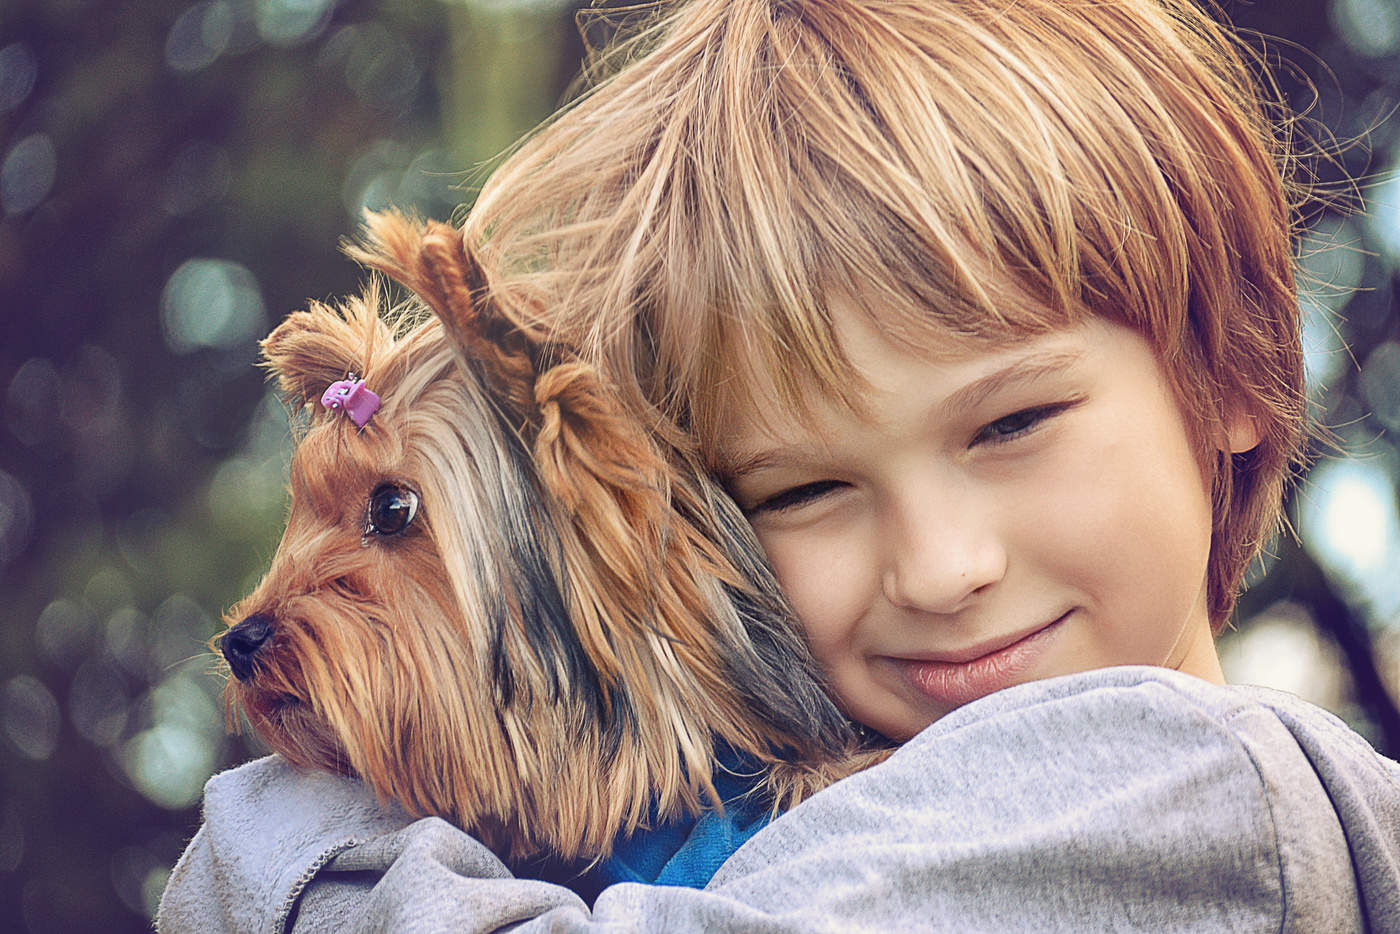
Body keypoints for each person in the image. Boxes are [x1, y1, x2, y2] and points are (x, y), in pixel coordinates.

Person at [158, 0, 1400, 930]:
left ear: (1233, 371)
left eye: (1010, 424)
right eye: (803, 490)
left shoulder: (1186, 792)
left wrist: (275, 847)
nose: (939, 567)